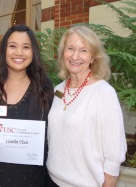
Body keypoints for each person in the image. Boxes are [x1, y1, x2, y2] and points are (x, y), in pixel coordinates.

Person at [46, 25, 127, 187]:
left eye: (84, 50)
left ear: (93, 57)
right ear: (63, 54)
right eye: (70, 48)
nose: (75, 56)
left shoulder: (103, 93)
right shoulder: (57, 90)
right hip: (51, 180)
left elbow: (113, 158)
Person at [0, 24, 54, 187]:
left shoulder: (44, 88)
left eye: (26, 47)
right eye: (12, 46)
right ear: (4, 50)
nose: (19, 53)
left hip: (31, 179)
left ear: (33, 52)